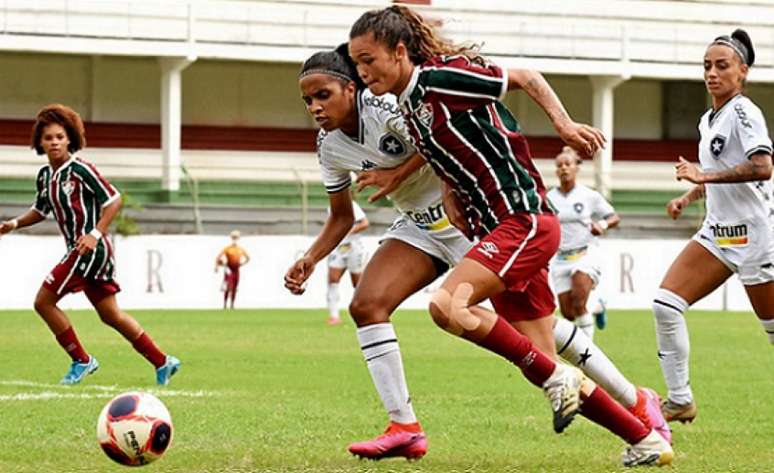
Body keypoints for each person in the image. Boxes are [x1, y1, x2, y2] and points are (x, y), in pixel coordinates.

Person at [347, 6, 672, 467]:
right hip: (498, 228)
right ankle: (645, 438)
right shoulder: (408, 105)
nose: (362, 73)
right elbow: (442, 147)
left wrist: (564, 125)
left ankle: (572, 380)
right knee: (543, 365)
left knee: (447, 305)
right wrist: (446, 189)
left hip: (523, 220)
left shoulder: (439, 78)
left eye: (369, 60)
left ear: (400, 52)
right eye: (356, 64)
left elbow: (525, 76)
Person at [0, 104, 180, 386]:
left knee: (43, 302)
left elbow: (113, 199)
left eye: (60, 136)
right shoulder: (46, 176)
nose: (55, 142)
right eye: (48, 138)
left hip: (90, 250)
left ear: (69, 138)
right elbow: (40, 210)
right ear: (40, 142)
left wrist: (95, 233)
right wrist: (13, 224)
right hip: (80, 250)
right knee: (111, 315)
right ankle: (162, 361)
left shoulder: (81, 169)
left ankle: (81, 360)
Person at [653, 29, 773, 425]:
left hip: (755, 237)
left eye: (722, 66)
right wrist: (690, 195)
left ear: (743, 71)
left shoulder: (744, 112)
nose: (712, 73)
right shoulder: (710, 119)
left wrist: (701, 174)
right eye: (707, 66)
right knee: (666, 305)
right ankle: (680, 400)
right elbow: (721, 171)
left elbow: (762, 167)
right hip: (719, 233)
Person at [547, 146, 620, 339]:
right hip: (561, 257)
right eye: (559, 165)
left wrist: (602, 224)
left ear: (576, 168)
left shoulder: (589, 195)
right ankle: (597, 306)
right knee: (569, 313)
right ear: (556, 170)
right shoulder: (549, 198)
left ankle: (588, 353)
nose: (563, 168)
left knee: (579, 303)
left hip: (585, 253)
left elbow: (614, 217)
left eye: (567, 164)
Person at [324, 200, 369, 325]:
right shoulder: (331, 207)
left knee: (357, 283)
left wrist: (347, 231)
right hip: (338, 248)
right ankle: (334, 316)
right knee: (332, 279)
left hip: (353, 247)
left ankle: (364, 312)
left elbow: (365, 223)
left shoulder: (352, 205)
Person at [215, 230, 250, 309]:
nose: (235, 239)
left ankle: (232, 304)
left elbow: (248, 258)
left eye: (236, 237)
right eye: (233, 237)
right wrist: (217, 266)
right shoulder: (227, 248)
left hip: (236, 269)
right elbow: (218, 258)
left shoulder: (240, 249)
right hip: (229, 268)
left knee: (234, 287)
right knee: (228, 286)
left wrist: (241, 264)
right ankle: (225, 303)